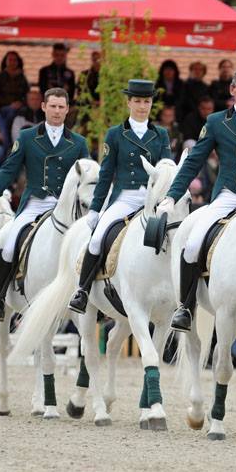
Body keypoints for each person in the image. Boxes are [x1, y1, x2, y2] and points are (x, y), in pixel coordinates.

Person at [156, 67, 236, 331]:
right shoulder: (216, 121)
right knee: (193, 243)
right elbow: (195, 160)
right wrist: (172, 195)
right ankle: (185, 307)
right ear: (232, 90)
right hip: (228, 195)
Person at [0, 88, 90, 320]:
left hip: (67, 207)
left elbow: (89, 175)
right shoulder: (28, 137)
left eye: (61, 107)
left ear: (67, 109)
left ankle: (86, 294)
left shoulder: (78, 142)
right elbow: (9, 168)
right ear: (43, 107)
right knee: (9, 242)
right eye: (53, 106)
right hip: (36, 203)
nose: (57, 111)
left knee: (90, 245)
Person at [68, 80, 173, 314]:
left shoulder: (161, 135)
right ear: (129, 102)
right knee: (96, 240)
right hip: (125, 198)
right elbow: (105, 174)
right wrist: (95, 208)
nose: (142, 106)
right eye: (137, 101)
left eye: (146, 101)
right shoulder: (115, 134)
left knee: (175, 235)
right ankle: (82, 291)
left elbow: (167, 168)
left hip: (151, 200)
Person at [0, 51, 30, 154]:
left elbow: (27, 95)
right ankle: (8, 145)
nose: (12, 62)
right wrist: (10, 104)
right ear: (5, 61)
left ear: (18, 62)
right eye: (10, 60)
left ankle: (6, 144)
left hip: (19, 108)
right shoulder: (0, 76)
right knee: (9, 113)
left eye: (14, 60)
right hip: (1, 108)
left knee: (12, 115)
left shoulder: (22, 77)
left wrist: (20, 103)